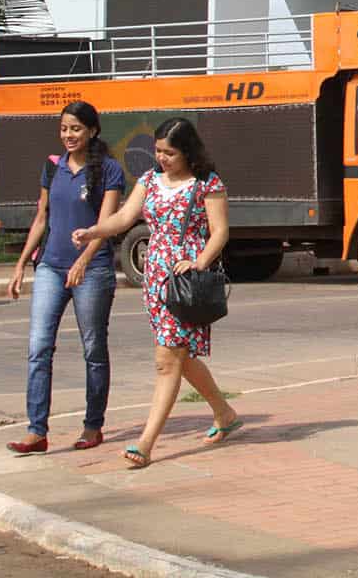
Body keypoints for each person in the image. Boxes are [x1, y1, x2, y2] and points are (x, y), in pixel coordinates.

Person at [72, 117, 240, 469]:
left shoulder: (207, 183)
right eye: (158, 151)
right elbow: (124, 218)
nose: (162, 158)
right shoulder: (149, 181)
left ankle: (146, 443)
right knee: (179, 356)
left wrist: (199, 261)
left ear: (188, 152)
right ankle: (224, 413)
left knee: (167, 360)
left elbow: (220, 231)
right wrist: (93, 232)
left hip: (186, 282)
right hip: (155, 279)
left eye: (170, 153)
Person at [6, 101, 126, 455]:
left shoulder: (109, 170)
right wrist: (21, 263)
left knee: (93, 348)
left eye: (75, 128)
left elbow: (106, 225)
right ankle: (36, 431)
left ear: (92, 131)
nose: (69, 135)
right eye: (64, 129)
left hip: (93, 269)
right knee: (38, 347)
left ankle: (93, 426)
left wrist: (84, 260)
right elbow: (42, 217)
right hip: (51, 267)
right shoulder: (52, 166)